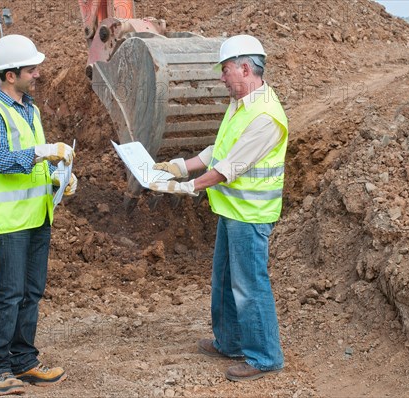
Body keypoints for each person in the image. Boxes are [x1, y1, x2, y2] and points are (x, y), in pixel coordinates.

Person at [150, 34, 288, 382]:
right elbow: (220, 149)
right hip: (232, 212)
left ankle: (265, 357)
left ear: (245, 68)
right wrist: (182, 165)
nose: (221, 77)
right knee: (224, 281)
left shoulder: (266, 116)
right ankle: (230, 342)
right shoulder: (241, 103)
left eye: (225, 70)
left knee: (250, 286)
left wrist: (186, 186)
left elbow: (229, 168)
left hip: (250, 216)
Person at [0, 34, 77, 395]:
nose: (37, 73)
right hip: (12, 221)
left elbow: (34, 165)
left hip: (38, 215)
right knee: (10, 293)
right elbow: (1, 162)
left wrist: (59, 177)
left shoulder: (29, 108)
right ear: (10, 75)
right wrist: (43, 152)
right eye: (31, 69)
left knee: (31, 292)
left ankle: (24, 361)